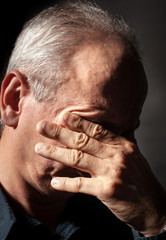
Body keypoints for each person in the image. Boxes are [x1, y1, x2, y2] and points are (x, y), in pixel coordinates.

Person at [0, 1, 165, 239]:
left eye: (128, 132)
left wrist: (158, 223)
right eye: (97, 128)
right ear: (14, 100)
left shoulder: (131, 217)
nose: (121, 155)